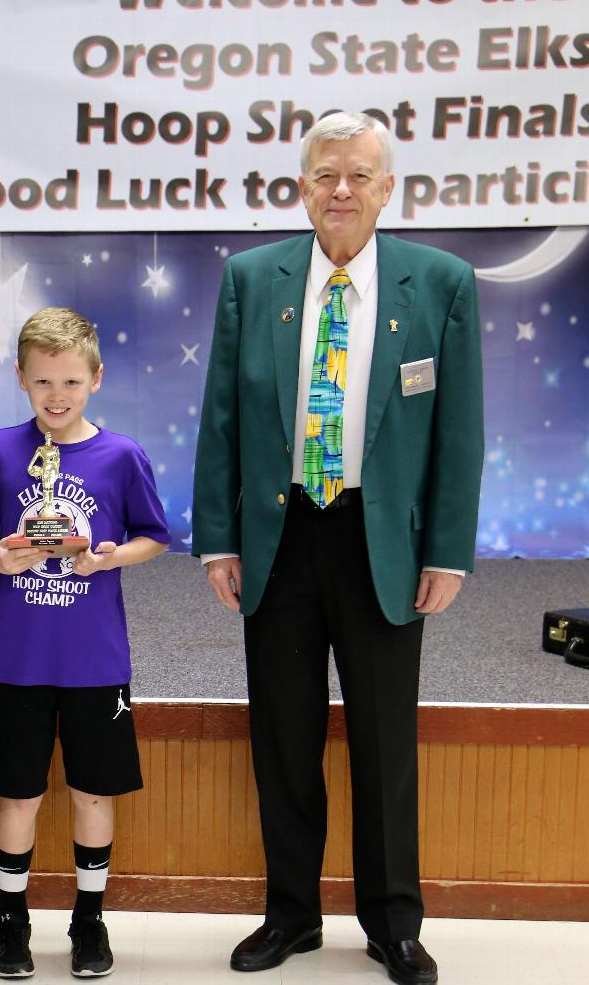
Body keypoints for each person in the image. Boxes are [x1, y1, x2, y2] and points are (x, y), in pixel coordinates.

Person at [192, 112, 483, 985]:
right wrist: (217, 539)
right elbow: (221, 418)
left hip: (381, 541)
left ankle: (394, 924)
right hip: (279, 538)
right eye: (326, 175)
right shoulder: (252, 279)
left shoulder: (441, 283)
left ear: (387, 189)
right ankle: (291, 916)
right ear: (303, 189)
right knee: (283, 737)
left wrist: (447, 551)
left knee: (385, 743)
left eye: (359, 175)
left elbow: (459, 431)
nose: (342, 190)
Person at [0, 307, 170, 979]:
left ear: (96, 379)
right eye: (44, 381)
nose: (57, 395)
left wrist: (110, 558)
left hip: (95, 660)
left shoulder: (122, 455)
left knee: (93, 794)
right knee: (18, 796)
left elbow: (155, 536)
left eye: (72, 382)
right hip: (18, 658)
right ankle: (10, 920)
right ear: (21, 377)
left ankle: (89, 918)